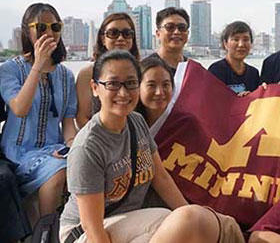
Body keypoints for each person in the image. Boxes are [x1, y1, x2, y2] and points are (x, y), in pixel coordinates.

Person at [61, 50, 245, 243]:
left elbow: (161, 178)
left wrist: (192, 214)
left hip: (128, 222)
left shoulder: (136, 122)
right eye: (113, 84)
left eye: (131, 83)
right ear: (95, 88)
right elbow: (93, 227)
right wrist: (189, 218)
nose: (123, 93)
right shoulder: (88, 147)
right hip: (84, 233)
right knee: (178, 221)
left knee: (193, 222)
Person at [0, 3, 77, 217]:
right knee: (58, 172)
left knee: (82, 164)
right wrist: (38, 65)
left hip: (55, 149)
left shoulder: (66, 76)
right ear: (27, 31)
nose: (49, 33)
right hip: (20, 153)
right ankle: (44, 235)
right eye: (41, 27)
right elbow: (20, 108)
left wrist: (71, 148)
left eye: (55, 27)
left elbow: (68, 124)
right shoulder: (9, 70)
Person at [76, 12, 140, 129]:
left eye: (127, 34)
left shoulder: (140, 71)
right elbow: (82, 118)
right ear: (103, 39)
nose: (120, 38)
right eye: (113, 33)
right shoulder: (87, 73)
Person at [208, 21, 261, 94]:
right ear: (225, 44)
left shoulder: (253, 73)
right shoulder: (216, 70)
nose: (241, 45)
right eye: (236, 39)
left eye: (246, 40)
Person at [143, 7, 190, 75]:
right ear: (158, 33)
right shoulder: (145, 68)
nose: (176, 32)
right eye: (170, 27)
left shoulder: (193, 70)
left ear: (187, 33)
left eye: (182, 27)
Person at [137, 56, 174, 128]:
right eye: (151, 85)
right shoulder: (126, 124)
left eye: (165, 85)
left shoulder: (184, 124)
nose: (159, 92)